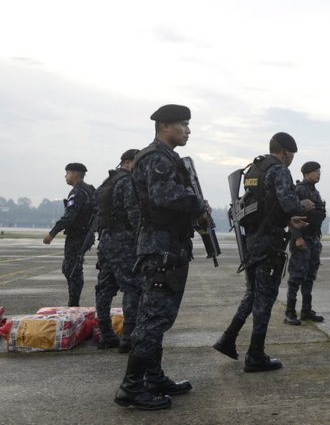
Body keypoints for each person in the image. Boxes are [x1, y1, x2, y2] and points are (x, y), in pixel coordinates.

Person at [114, 104, 210, 411]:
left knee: (157, 318)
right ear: (165, 126)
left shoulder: (164, 157)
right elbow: (163, 195)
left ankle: (153, 378)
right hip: (162, 247)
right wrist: (197, 203)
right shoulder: (156, 158)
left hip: (166, 245)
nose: (188, 130)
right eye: (183, 124)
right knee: (154, 319)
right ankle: (130, 387)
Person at [213, 133, 313, 372]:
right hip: (268, 242)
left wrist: (289, 220)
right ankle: (255, 354)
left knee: (253, 292)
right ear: (285, 152)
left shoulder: (254, 169)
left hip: (253, 240)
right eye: (291, 156)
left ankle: (228, 338)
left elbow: (266, 206)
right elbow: (288, 203)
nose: (290, 161)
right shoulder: (278, 170)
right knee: (264, 298)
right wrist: (303, 207)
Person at [94, 149, 143, 353]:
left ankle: (106, 334)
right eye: (137, 164)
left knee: (105, 287)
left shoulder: (107, 183)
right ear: (128, 162)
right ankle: (129, 338)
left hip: (106, 239)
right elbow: (134, 215)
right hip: (123, 241)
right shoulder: (126, 182)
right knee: (133, 287)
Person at [44, 163, 96, 307]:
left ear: (75, 175)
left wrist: (52, 233)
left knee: (72, 269)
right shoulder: (89, 190)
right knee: (73, 268)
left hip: (78, 236)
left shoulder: (78, 192)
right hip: (85, 234)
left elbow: (69, 217)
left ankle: (74, 304)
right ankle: (74, 302)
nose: (65, 176)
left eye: (67, 173)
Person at [284, 161, 326, 325]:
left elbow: (316, 217)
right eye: (315, 171)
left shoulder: (314, 191)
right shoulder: (300, 190)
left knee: (309, 276)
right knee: (296, 277)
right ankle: (289, 313)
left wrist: (317, 240)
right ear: (306, 173)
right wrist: (297, 237)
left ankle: (306, 310)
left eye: (319, 171)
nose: (318, 174)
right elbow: (293, 214)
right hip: (302, 237)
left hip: (312, 238)